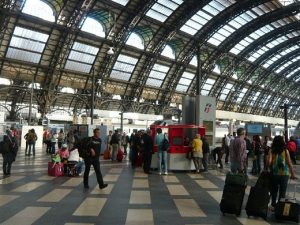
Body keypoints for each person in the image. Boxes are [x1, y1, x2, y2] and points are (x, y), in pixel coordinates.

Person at [267, 135, 297, 210]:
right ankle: (280, 207)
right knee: (282, 191)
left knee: (274, 190)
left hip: (274, 173)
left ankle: (273, 205)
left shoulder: (271, 150)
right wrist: (292, 174)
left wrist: (268, 164)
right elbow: (289, 163)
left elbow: (269, 162)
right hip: (284, 174)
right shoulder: (285, 150)